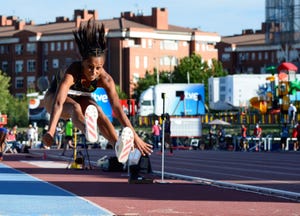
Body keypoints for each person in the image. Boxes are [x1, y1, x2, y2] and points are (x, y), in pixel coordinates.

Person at [42, 18, 152, 163]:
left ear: (103, 66)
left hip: (81, 97)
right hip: (53, 99)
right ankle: (88, 129)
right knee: (75, 108)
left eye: (98, 68)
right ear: (83, 63)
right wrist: (51, 130)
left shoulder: (105, 79)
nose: (94, 72)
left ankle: (117, 145)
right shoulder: (73, 72)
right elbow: (58, 102)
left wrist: (135, 135)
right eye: (90, 67)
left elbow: (117, 108)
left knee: (98, 110)